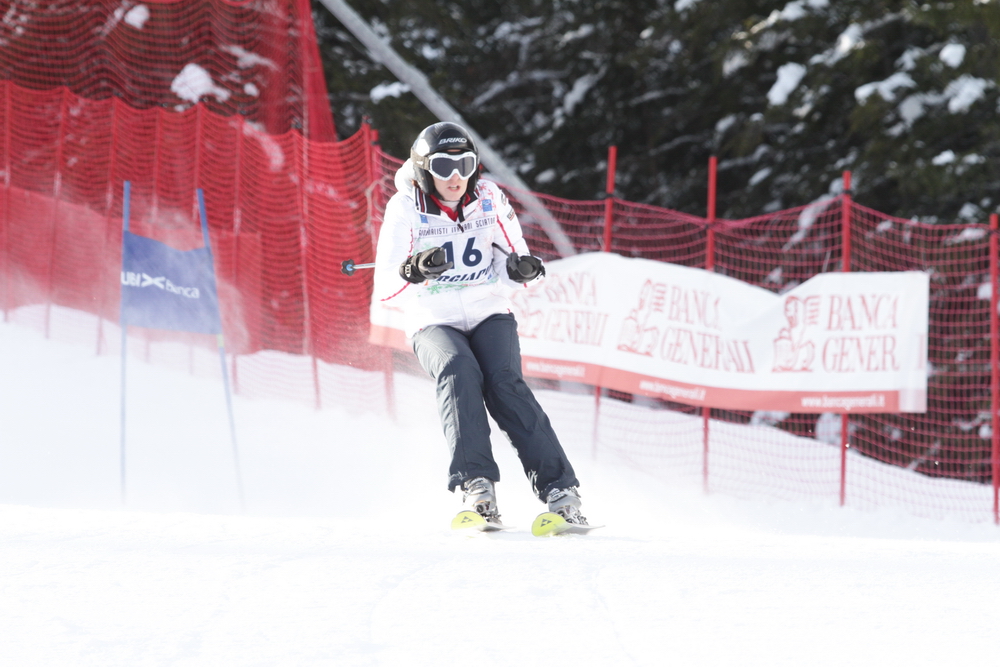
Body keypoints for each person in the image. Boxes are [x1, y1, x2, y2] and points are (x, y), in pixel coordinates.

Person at [372, 121, 586, 527]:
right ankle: (477, 487)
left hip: (488, 309)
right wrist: (414, 270)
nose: (455, 177)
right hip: (432, 318)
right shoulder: (405, 207)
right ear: (424, 169)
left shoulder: (488, 198)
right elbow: (385, 288)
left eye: (465, 165)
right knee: (458, 370)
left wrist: (521, 270)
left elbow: (515, 260)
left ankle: (561, 492)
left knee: (504, 382)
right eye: (443, 167)